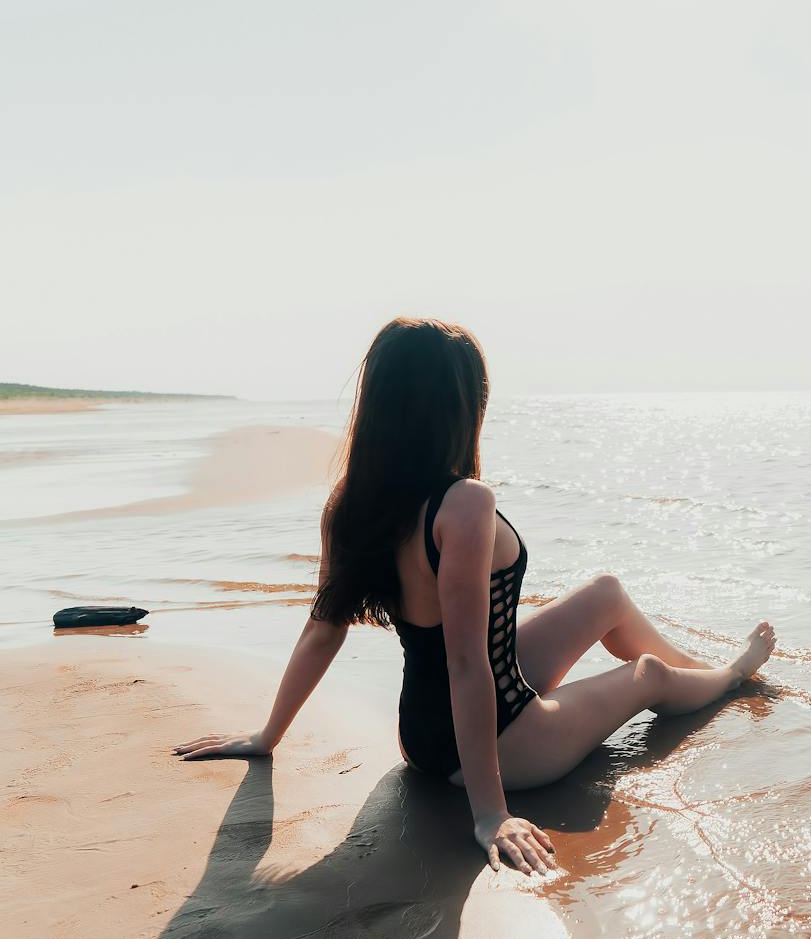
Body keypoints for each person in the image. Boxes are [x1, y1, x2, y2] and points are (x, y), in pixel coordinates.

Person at [173, 317, 777, 877]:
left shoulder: (350, 503)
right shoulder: (464, 504)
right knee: (646, 673)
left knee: (607, 595)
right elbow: (465, 664)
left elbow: (322, 630)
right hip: (498, 745)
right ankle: (727, 676)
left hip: (423, 735)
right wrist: (491, 813)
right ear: (458, 407)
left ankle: (704, 671)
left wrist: (267, 736)